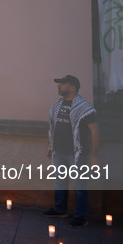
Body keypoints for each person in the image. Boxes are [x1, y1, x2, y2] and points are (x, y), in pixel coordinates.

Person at [43, 75, 100, 228]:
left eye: (63, 84)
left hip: (78, 153)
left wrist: (94, 156)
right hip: (59, 152)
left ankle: (80, 216)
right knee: (59, 181)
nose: (59, 86)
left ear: (72, 87)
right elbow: (52, 127)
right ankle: (60, 210)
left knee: (79, 185)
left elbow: (94, 131)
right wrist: (50, 145)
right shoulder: (56, 106)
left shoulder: (85, 108)